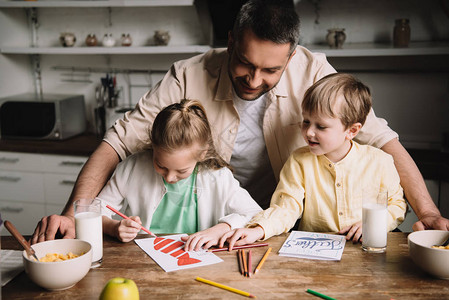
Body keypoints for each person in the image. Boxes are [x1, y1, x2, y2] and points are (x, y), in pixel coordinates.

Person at [31, 0, 448, 245]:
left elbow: (383, 141)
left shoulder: (315, 70)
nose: (254, 80)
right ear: (230, 41)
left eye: (271, 71)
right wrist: (73, 214)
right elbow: (116, 143)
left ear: (291, 57)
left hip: (285, 222)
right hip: (213, 224)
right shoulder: (188, 73)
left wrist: (427, 211)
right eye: (245, 64)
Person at [219, 73, 407, 247]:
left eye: (321, 126)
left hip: (364, 249)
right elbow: (286, 207)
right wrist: (258, 230)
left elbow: (397, 205)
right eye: (306, 121)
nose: (309, 132)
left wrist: (375, 224)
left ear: (352, 131)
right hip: (313, 254)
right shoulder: (299, 161)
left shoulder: (380, 161)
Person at [99, 99, 261, 250]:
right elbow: (93, 212)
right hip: (141, 259)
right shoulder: (132, 168)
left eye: (182, 171)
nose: (169, 178)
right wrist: (114, 228)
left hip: (198, 259)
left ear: (202, 154)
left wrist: (222, 228)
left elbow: (256, 215)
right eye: (161, 165)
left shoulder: (219, 177)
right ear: (153, 146)